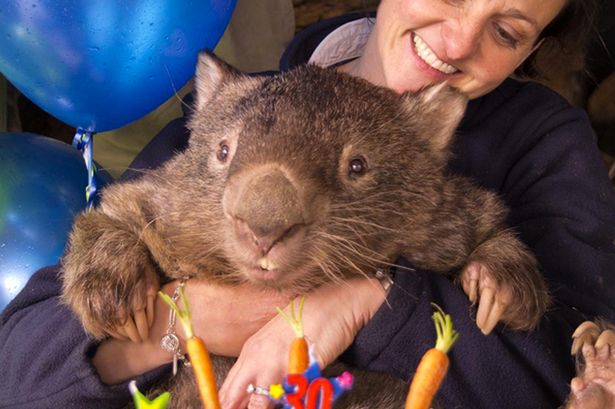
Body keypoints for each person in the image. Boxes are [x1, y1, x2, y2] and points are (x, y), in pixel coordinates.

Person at [1, 1, 614, 408]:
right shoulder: (236, 112)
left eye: (506, 31)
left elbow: (574, 356)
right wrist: (186, 320)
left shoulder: (535, 146)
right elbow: (19, 368)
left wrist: (367, 302)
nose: (457, 41)